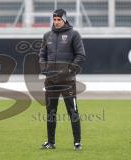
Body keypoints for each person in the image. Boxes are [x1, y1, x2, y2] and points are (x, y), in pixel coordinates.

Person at [39, 9, 86, 150]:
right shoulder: (47, 35)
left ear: (64, 20)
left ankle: (77, 143)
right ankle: (51, 142)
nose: (56, 22)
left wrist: (69, 70)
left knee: (72, 111)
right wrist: (44, 69)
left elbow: (81, 55)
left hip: (67, 81)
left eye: (59, 19)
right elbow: (42, 54)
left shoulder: (74, 35)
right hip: (51, 81)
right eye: (54, 19)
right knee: (51, 112)